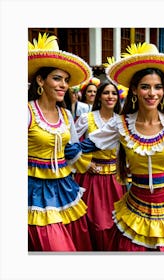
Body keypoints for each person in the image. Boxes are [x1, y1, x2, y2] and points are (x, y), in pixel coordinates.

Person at [81, 42, 164, 251]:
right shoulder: (121, 124)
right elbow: (86, 145)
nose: (152, 93)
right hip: (134, 209)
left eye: (157, 87)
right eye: (145, 87)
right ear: (134, 90)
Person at [28, 32, 93, 251]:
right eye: (57, 78)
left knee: (77, 240)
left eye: (66, 80)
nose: (63, 85)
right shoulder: (26, 112)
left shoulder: (65, 115)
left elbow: (72, 149)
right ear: (40, 80)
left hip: (64, 186)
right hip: (33, 189)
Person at [74, 81, 127, 250]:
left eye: (113, 93)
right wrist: (84, 163)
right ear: (99, 96)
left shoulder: (122, 121)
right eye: (106, 93)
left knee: (114, 221)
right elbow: (71, 145)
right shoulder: (86, 118)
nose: (110, 97)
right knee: (91, 221)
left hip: (115, 179)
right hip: (90, 177)